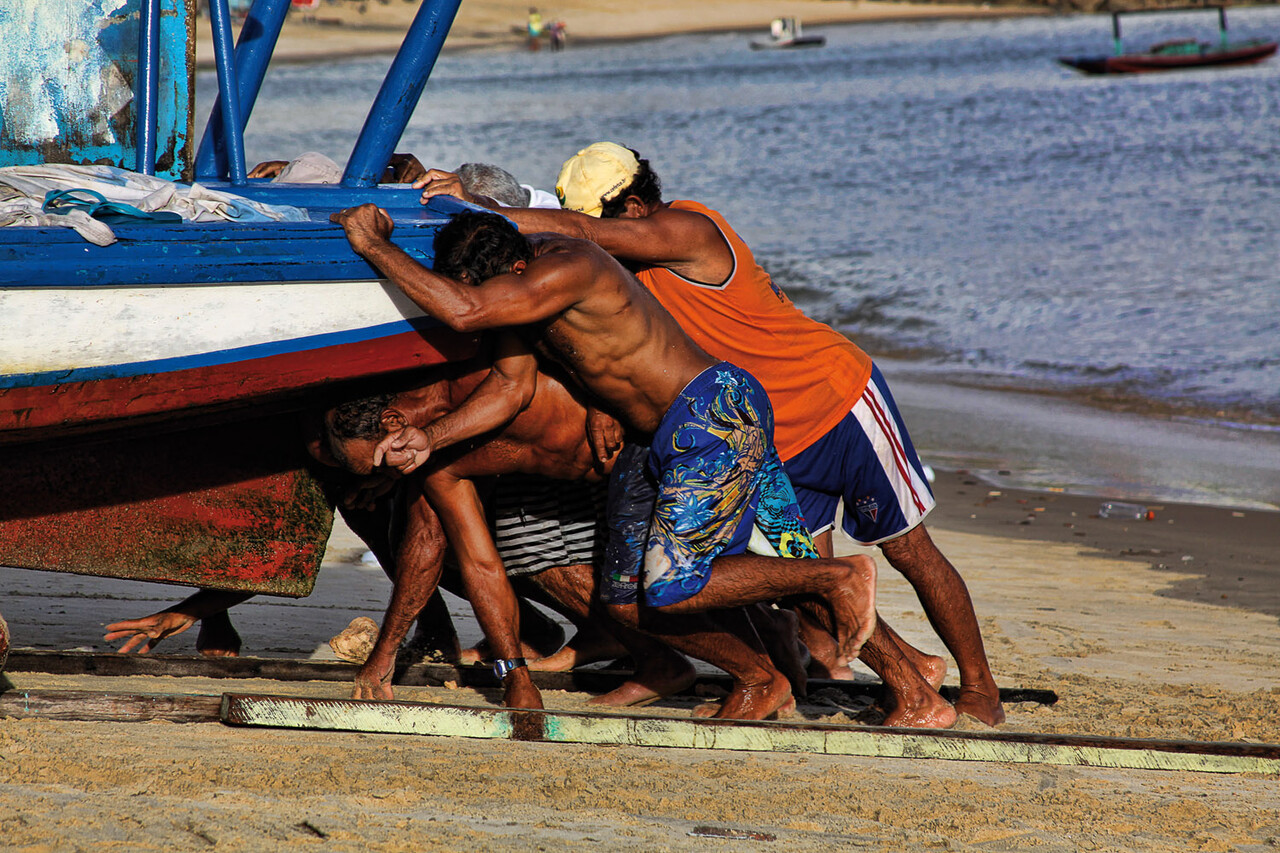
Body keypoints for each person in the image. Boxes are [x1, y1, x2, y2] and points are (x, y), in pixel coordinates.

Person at [415, 142, 1004, 728]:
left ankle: (979, 686)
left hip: (832, 395)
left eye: (606, 223)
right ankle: (906, 677)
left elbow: (569, 229)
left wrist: (476, 212)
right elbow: (555, 235)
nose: (599, 234)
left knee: (905, 548)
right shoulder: (594, 256)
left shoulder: (687, 230)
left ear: (639, 205)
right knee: (786, 571)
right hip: (750, 421)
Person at [329, 205, 877, 720]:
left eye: (499, 291)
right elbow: (511, 386)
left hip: (711, 412)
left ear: (518, 270)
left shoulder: (567, 265)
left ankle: (838, 575)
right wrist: (431, 436)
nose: (495, 304)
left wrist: (373, 243)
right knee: (625, 600)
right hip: (660, 433)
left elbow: (467, 310)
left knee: (678, 584)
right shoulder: (519, 290)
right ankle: (893, 685)